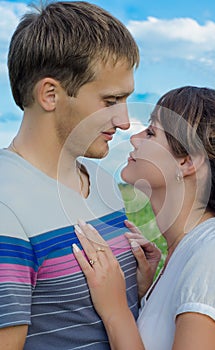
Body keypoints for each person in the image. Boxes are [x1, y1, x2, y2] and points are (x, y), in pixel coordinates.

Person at [72, 86, 215, 350]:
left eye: (151, 132)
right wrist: (141, 294)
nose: (134, 138)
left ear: (186, 161)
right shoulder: (191, 251)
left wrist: (116, 308)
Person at [0, 1, 142, 349]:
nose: (124, 121)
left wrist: (140, 283)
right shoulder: (5, 206)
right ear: (50, 95)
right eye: (111, 101)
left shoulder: (104, 181)